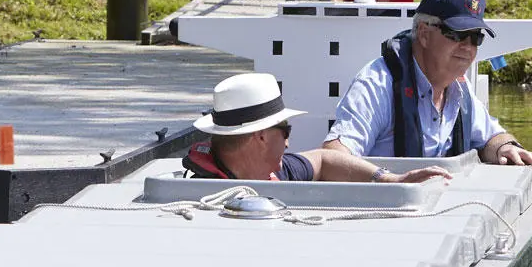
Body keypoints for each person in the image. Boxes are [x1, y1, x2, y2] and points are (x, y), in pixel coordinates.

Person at [321, 0, 532, 170]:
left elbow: (491, 137)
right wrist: (388, 180)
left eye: (476, 37)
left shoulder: (459, 90)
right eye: (457, 34)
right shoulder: (377, 84)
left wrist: (506, 147)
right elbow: (333, 157)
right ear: (424, 34)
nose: (468, 47)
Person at [184, 73, 450, 183]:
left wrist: (392, 181)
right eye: (285, 131)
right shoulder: (200, 197)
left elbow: (324, 158)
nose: (288, 143)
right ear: (262, 136)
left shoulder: (276, 171)